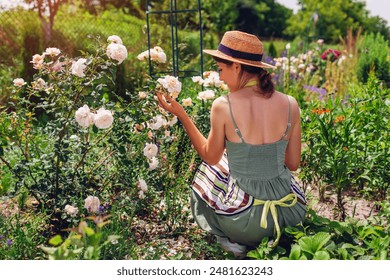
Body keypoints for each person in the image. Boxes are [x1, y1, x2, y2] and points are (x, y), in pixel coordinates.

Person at [156, 30, 306, 257]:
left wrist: (182, 115)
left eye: (221, 69)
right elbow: (293, 164)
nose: (221, 77)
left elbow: (210, 156)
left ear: (236, 66)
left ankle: (232, 243)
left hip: (244, 222)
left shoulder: (223, 105)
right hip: (290, 215)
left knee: (214, 166)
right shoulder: (291, 104)